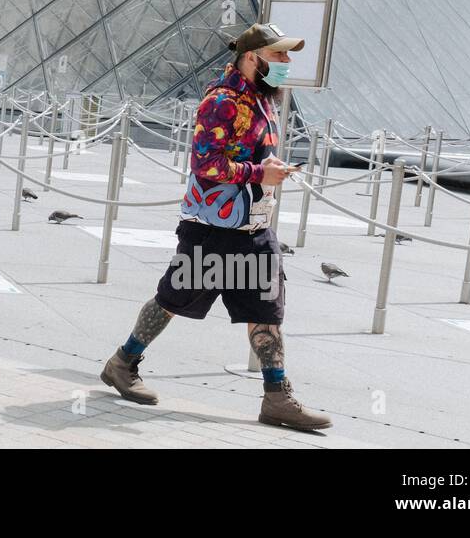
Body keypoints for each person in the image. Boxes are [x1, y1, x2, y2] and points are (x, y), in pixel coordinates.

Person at [100, 23, 333, 431]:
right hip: (213, 228)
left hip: (253, 227)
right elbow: (205, 166)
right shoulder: (222, 101)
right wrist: (261, 171)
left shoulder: (264, 99)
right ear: (251, 57)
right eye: (278, 54)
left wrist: (268, 172)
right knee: (173, 299)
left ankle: (277, 397)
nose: (286, 62)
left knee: (267, 308)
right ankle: (123, 362)